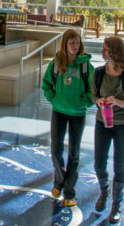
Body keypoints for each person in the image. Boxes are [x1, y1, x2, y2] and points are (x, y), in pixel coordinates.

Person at [41, 29, 94, 207]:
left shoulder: (86, 66)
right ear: (65, 43)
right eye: (72, 42)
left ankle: (70, 191)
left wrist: (84, 102)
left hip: (78, 114)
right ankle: (60, 181)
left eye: (78, 42)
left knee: (74, 154)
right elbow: (46, 84)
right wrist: (53, 99)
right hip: (59, 111)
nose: (75, 46)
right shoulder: (56, 63)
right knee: (56, 151)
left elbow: (93, 91)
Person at [92, 36, 124, 224]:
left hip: (122, 126)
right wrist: (99, 101)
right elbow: (93, 95)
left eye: (106, 50)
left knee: (119, 165)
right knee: (99, 163)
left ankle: (117, 205)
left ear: (115, 52)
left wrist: (117, 102)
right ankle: (105, 192)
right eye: (103, 49)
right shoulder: (99, 73)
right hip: (102, 122)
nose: (103, 53)